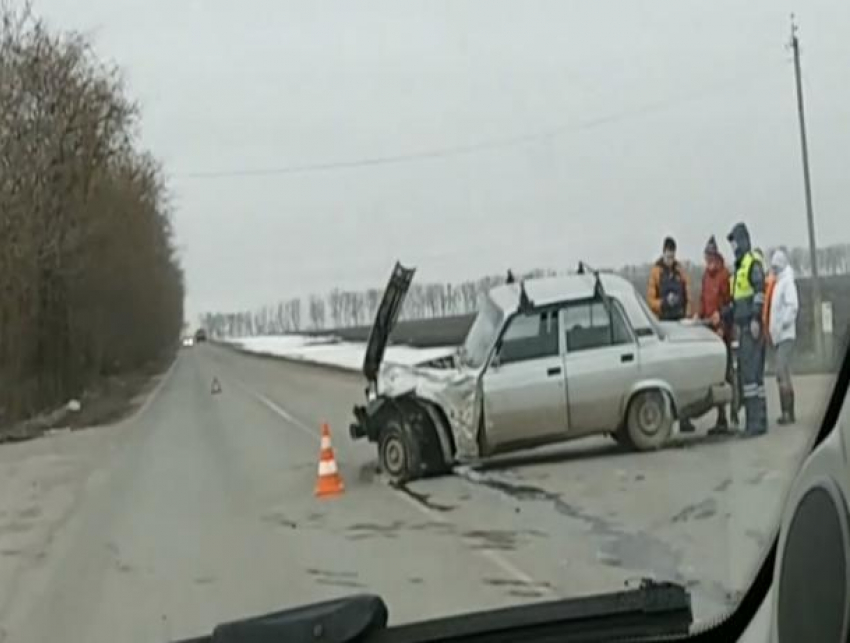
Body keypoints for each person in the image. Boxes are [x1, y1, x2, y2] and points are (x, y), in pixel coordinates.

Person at [724, 223, 768, 437]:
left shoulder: (751, 263)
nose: (732, 246)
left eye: (734, 242)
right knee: (754, 377)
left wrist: (755, 318)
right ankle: (760, 419)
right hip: (743, 324)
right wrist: (727, 313)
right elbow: (738, 299)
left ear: (742, 240)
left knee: (750, 376)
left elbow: (760, 291)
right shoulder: (740, 266)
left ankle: (754, 423)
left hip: (750, 326)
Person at [697, 235, 733, 433]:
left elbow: (729, 304)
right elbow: (703, 300)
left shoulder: (724, 276)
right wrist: (697, 315)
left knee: (725, 374)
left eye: (710, 257)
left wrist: (723, 323)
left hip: (722, 330)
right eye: (706, 258)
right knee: (715, 375)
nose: (708, 262)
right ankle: (721, 417)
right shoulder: (705, 277)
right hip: (710, 329)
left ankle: (729, 414)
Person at [768, 249, 799, 425]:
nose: (773, 269)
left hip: (786, 334)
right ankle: (787, 412)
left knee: (781, 371)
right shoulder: (778, 283)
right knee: (783, 372)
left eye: (775, 266)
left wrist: (782, 325)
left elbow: (792, 306)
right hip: (779, 335)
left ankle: (788, 411)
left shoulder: (787, 283)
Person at [647, 236, 691, 321]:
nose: (670, 261)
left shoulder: (680, 271)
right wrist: (664, 302)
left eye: (672, 257)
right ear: (664, 253)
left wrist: (687, 314)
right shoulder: (656, 272)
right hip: (663, 319)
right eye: (668, 257)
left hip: (680, 318)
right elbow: (650, 301)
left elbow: (688, 295)